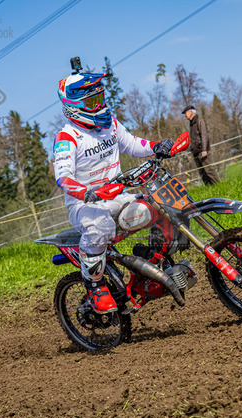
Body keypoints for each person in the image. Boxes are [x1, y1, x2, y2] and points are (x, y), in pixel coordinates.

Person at [54, 68, 176, 314]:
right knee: (100, 228)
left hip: (118, 195)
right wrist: (85, 193)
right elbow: (63, 177)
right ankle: (95, 285)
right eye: (93, 102)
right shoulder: (67, 137)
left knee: (157, 206)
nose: (100, 105)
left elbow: (132, 144)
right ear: (74, 106)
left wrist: (156, 147)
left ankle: (151, 262)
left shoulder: (110, 124)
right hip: (85, 205)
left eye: (101, 98)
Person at [182, 105, 219, 185]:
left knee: (209, 170)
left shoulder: (199, 121)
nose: (184, 115)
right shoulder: (191, 123)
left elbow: (204, 135)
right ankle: (209, 188)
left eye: (185, 113)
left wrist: (204, 150)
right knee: (202, 172)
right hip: (196, 152)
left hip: (202, 151)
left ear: (191, 112)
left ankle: (218, 185)